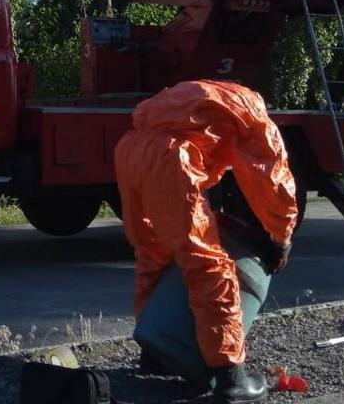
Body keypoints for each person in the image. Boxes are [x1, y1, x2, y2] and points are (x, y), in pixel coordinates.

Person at [114, 80, 298, 402]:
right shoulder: (253, 114)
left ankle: (154, 351)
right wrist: (281, 236)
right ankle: (232, 380)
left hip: (130, 151)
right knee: (208, 263)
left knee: (154, 251)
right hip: (171, 157)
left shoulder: (205, 99)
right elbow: (273, 179)